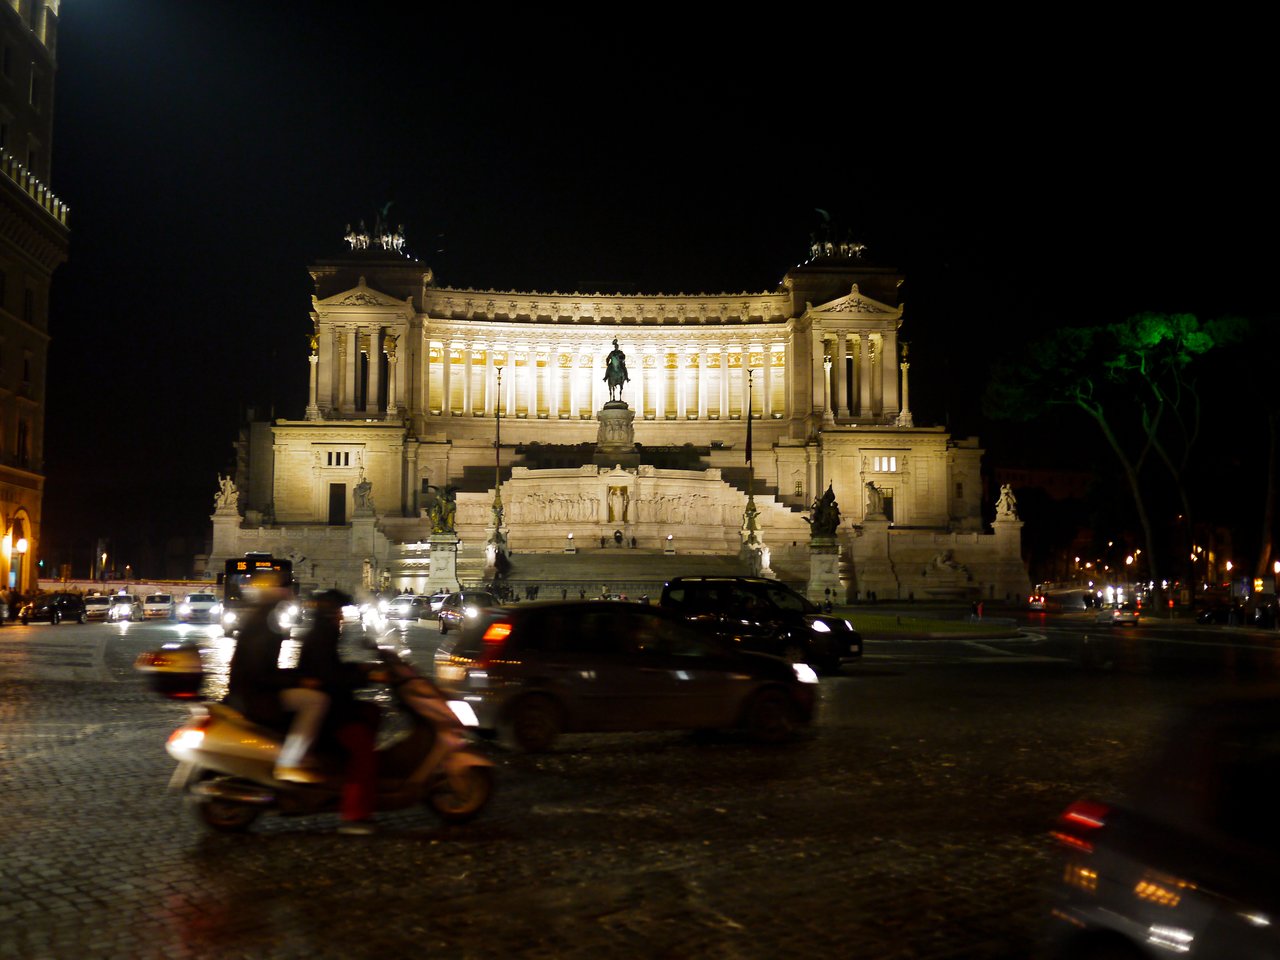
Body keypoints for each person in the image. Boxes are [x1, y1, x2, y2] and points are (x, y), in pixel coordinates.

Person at [293, 589, 386, 834]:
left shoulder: (323, 634)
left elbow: (332, 668)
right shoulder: (322, 636)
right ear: (329, 615)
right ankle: (354, 815)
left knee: (371, 712)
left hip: (333, 702)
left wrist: (361, 668)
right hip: (331, 711)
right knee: (363, 749)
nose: (342, 619)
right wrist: (365, 675)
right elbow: (329, 676)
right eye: (339, 614)